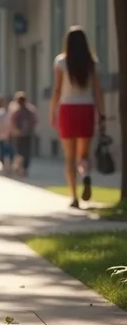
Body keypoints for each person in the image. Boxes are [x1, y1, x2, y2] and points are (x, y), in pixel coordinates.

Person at [50, 25, 105, 208]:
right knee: (84, 154)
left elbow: (57, 90)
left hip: (67, 109)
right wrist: (102, 114)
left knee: (70, 157)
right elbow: (98, 91)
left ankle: (74, 197)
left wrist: (52, 112)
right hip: (86, 109)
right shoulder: (92, 63)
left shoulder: (61, 62)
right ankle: (86, 175)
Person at [10, 91, 37, 177]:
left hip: (19, 135)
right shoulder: (30, 111)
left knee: (19, 152)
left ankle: (19, 166)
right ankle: (24, 168)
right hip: (27, 134)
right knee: (26, 152)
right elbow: (34, 121)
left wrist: (14, 131)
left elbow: (12, 123)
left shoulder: (16, 112)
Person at [0, 95, 14, 173]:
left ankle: (10, 167)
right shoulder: (0, 113)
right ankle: (4, 166)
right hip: (1, 136)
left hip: (10, 136)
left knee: (11, 152)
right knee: (2, 152)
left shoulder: (12, 112)